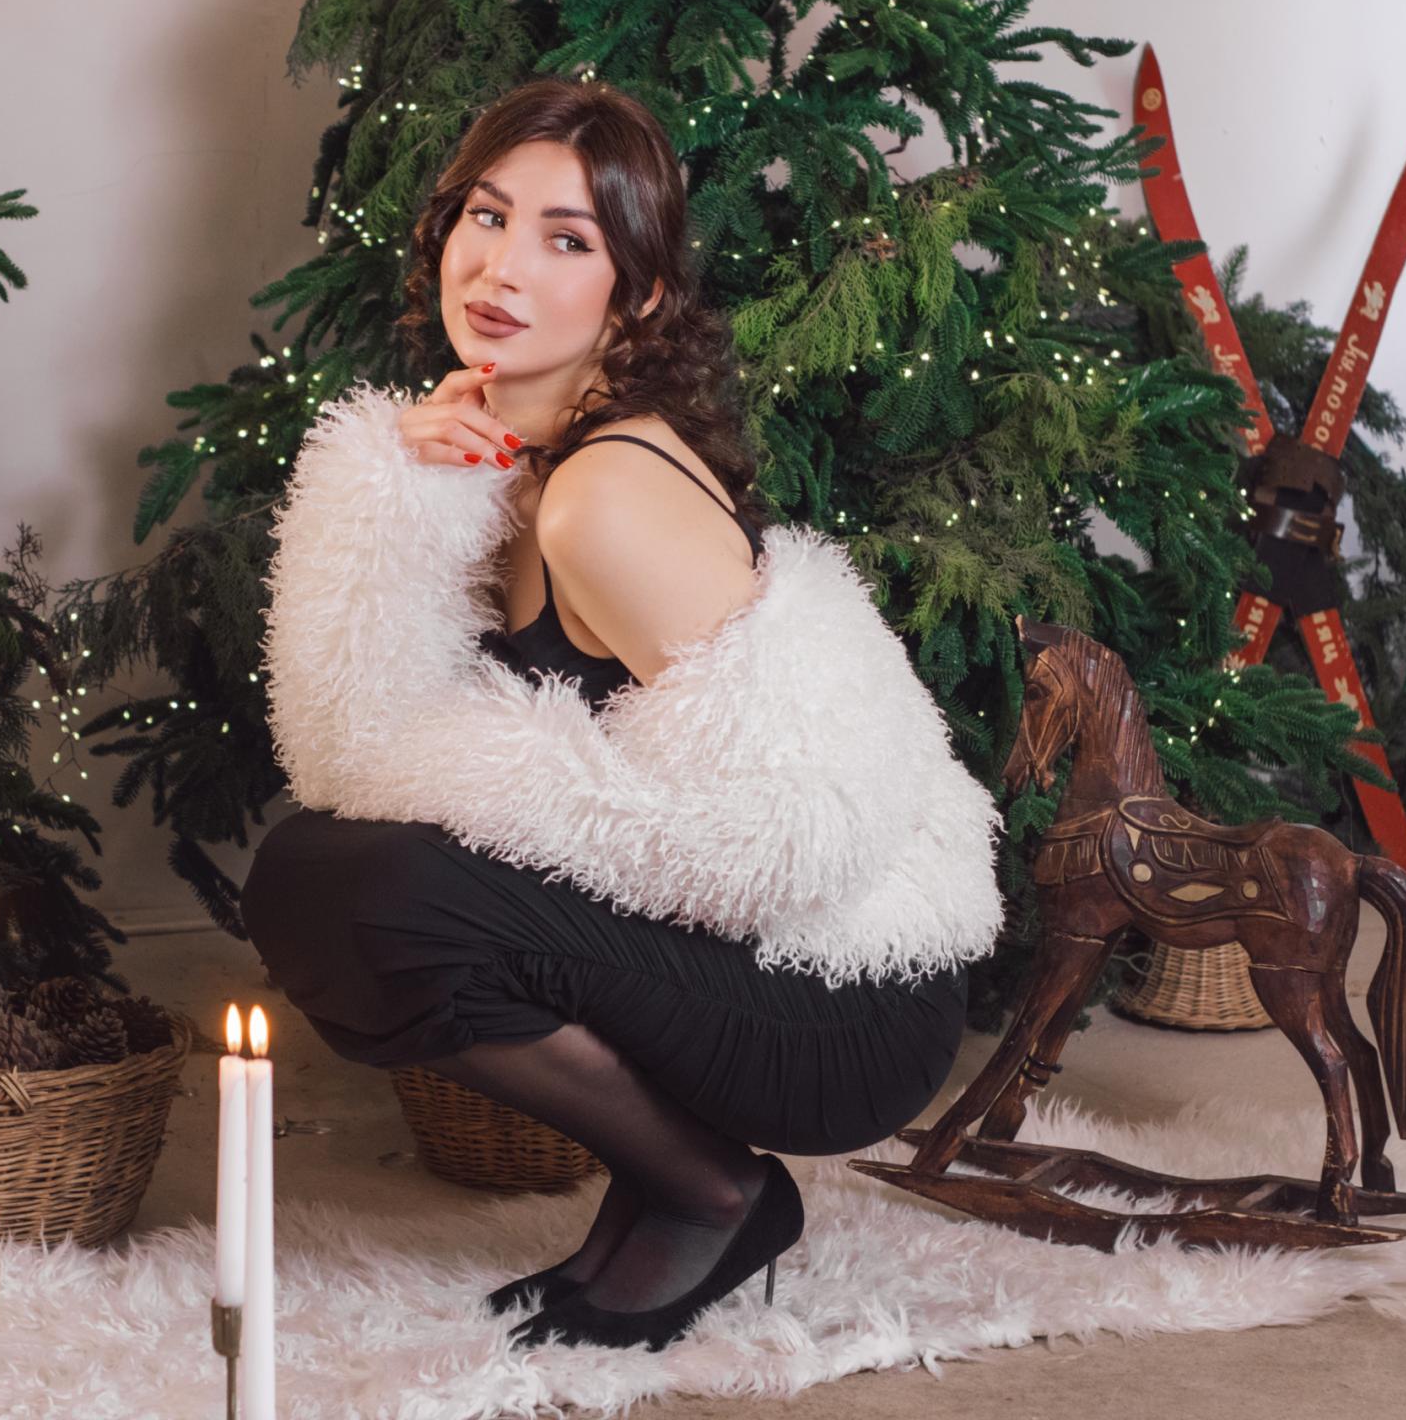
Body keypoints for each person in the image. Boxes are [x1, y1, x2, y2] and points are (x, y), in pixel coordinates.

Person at [238, 77, 971, 1352]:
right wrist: (397, 493)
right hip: (741, 945)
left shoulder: (603, 498)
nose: (502, 267)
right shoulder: (504, 457)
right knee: (325, 871)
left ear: (634, 296)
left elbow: (795, 826)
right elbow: (351, 745)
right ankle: (669, 1179)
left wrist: (518, 819)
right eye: (487, 216)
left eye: (566, 240)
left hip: (850, 989)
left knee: (369, 895)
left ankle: (716, 1192)